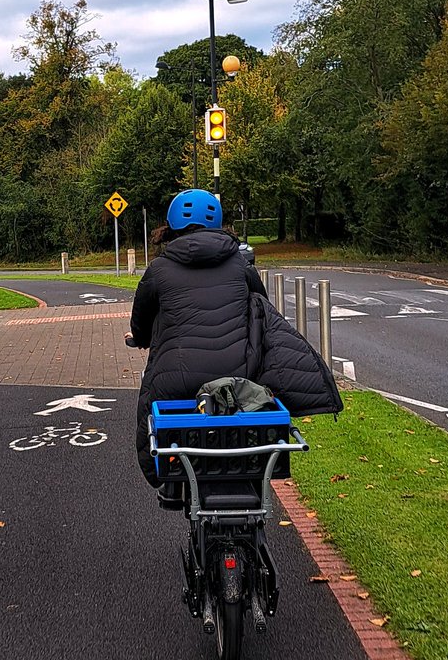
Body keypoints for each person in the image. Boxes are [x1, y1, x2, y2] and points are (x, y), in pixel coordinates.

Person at [128, 189, 342, 485]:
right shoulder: (240, 264)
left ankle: (167, 481)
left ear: (170, 227)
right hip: (240, 377)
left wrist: (139, 337)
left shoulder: (158, 269)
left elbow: (140, 319)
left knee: (153, 411)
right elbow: (261, 307)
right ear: (218, 223)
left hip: (175, 381)